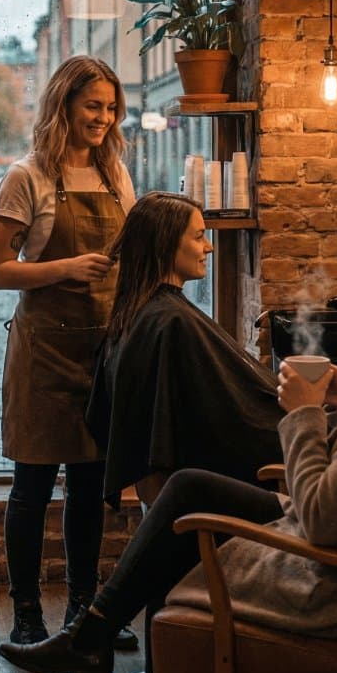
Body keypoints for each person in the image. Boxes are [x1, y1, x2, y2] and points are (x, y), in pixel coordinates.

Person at [0, 227, 337, 673]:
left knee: (183, 512)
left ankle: (91, 640)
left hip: (335, 580)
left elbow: (324, 518)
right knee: (190, 486)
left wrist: (302, 415)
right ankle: (94, 636)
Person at [0, 55, 136, 650]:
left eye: (109, 107)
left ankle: (84, 610)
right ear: (64, 106)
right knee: (31, 488)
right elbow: (0, 271)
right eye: (92, 106)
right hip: (45, 355)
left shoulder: (115, 175)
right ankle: (26, 611)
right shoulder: (27, 178)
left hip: (102, 352)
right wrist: (66, 269)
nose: (103, 117)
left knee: (90, 488)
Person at [88, 192, 282, 513]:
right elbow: (233, 419)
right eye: (198, 236)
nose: (209, 247)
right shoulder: (169, 320)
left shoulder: (139, 313)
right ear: (165, 244)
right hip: (213, 488)